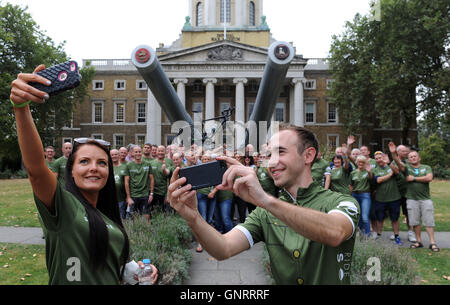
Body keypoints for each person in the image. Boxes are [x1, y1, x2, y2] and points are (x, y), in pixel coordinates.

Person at [9, 65, 157, 284]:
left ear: (109, 171)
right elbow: (36, 171)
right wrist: (21, 108)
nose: (94, 168)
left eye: (102, 163)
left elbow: (109, 268)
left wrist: (137, 273)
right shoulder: (64, 207)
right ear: (71, 170)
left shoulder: (108, 218)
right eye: (84, 161)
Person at [168, 124, 360, 285]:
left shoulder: (341, 202)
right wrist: (192, 216)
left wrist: (264, 200)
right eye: (268, 155)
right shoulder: (264, 213)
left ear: (308, 156)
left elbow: (335, 232)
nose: (271, 162)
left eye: (280, 152)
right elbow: (223, 248)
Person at [394, 150, 439, 252]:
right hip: (412, 200)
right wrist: (393, 153)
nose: (413, 158)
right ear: (408, 160)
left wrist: (413, 178)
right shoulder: (406, 168)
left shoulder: (426, 167)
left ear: (419, 158)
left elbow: (429, 178)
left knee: (429, 222)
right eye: (410, 157)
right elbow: (397, 162)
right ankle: (418, 241)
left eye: (415, 156)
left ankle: (432, 242)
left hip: (425, 199)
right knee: (415, 222)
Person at [371, 151, 403, 245]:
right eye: (376, 159)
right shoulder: (375, 170)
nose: (378, 160)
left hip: (394, 197)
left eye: (380, 158)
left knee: (395, 219)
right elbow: (378, 180)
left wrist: (389, 164)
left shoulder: (391, 166)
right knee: (380, 218)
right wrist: (390, 174)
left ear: (384, 158)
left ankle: (397, 236)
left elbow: (397, 172)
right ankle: (379, 236)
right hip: (380, 198)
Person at [389, 142, 416, 243]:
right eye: (403, 151)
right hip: (395, 192)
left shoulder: (409, 162)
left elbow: (403, 168)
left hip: (407, 192)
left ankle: (410, 232)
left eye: (406, 151)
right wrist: (393, 156)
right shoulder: (391, 162)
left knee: (408, 213)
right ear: (398, 152)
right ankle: (396, 233)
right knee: (394, 214)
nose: (405, 152)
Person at [124, 145, 154, 221]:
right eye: (136, 152)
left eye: (139, 152)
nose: (138, 153)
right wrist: (128, 197)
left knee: (146, 216)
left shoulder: (147, 164)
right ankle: (136, 232)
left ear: (142, 152)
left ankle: (147, 231)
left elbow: (151, 179)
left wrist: (151, 194)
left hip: (145, 195)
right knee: (133, 218)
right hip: (133, 195)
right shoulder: (129, 165)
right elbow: (126, 182)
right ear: (132, 153)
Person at [350, 156, 373, 236]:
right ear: (357, 163)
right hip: (355, 194)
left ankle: (367, 234)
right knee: (357, 215)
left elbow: (371, 179)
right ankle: (359, 232)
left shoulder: (367, 172)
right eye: (359, 162)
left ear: (365, 163)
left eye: (362, 162)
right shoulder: (353, 173)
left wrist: (369, 172)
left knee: (365, 216)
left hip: (365, 195)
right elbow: (351, 185)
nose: (360, 164)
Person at [149, 145, 171, 212]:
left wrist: (164, 169)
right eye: (159, 151)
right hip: (152, 192)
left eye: (162, 151)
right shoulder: (151, 163)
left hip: (163, 193)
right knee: (152, 212)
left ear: (165, 152)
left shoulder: (168, 162)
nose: (160, 152)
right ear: (156, 152)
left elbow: (168, 173)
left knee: (162, 213)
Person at [111, 149, 128, 219]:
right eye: (112, 155)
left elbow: (127, 183)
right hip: (110, 198)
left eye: (115, 154)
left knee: (121, 218)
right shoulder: (107, 167)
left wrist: (128, 196)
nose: (114, 156)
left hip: (121, 198)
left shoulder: (125, 167)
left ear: (119, 155)